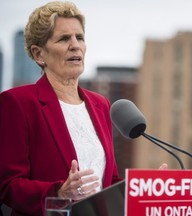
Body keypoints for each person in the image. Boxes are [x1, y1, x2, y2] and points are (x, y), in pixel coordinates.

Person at [0, 2, 123, 215]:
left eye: (80, 37)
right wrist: (59, 192)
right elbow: (8, 186)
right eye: (64, 38)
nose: (75, 45)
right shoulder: (17, 102)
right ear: (39, 54)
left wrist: (142, 188)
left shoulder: (101, 105)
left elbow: (109, 180)